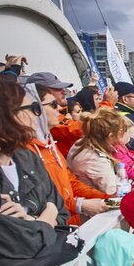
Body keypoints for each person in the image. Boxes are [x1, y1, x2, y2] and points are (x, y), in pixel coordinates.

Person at [0, 76, 69, 266]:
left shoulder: (27, 157)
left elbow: (63, 213)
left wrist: (33, 221)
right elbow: (21, 242)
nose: (36, 116)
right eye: (33, 109)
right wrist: (47, 218)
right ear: (5, 116)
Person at [27, 83, 110, 225]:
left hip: (69, 223)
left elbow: (70, 182)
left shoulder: (49, 146)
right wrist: (79, 205)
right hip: (52, 230)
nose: (59, 108)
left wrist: (106, 196)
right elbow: (40, 199)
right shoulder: (25, 151)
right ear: (35, 109)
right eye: (53, 104)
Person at [68, 107, 131, 195]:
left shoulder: (83, 143)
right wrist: (130, 178)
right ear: (111, 136)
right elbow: (113, 190)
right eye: (121, 132)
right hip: (97, 201)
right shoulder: (95, 160)